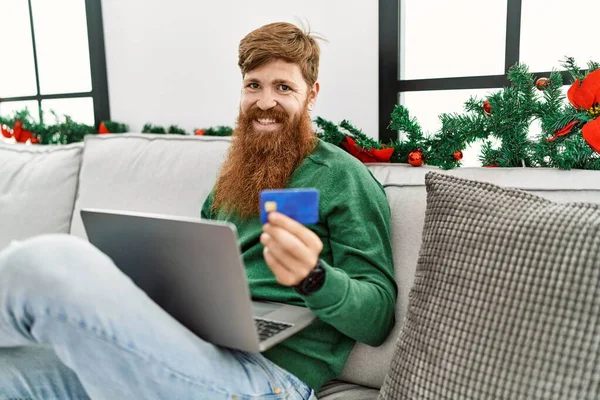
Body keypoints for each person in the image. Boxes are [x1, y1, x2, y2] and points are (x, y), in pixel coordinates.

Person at [0, 22, 397, 399]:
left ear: (311, 94)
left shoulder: (343, 177)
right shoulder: (231, 179)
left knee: (43, 263)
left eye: (283, 87)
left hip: (272, 380)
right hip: (194, 351)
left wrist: (313, 277)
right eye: (253, 85)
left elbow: (378, 318)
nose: (265, 101)